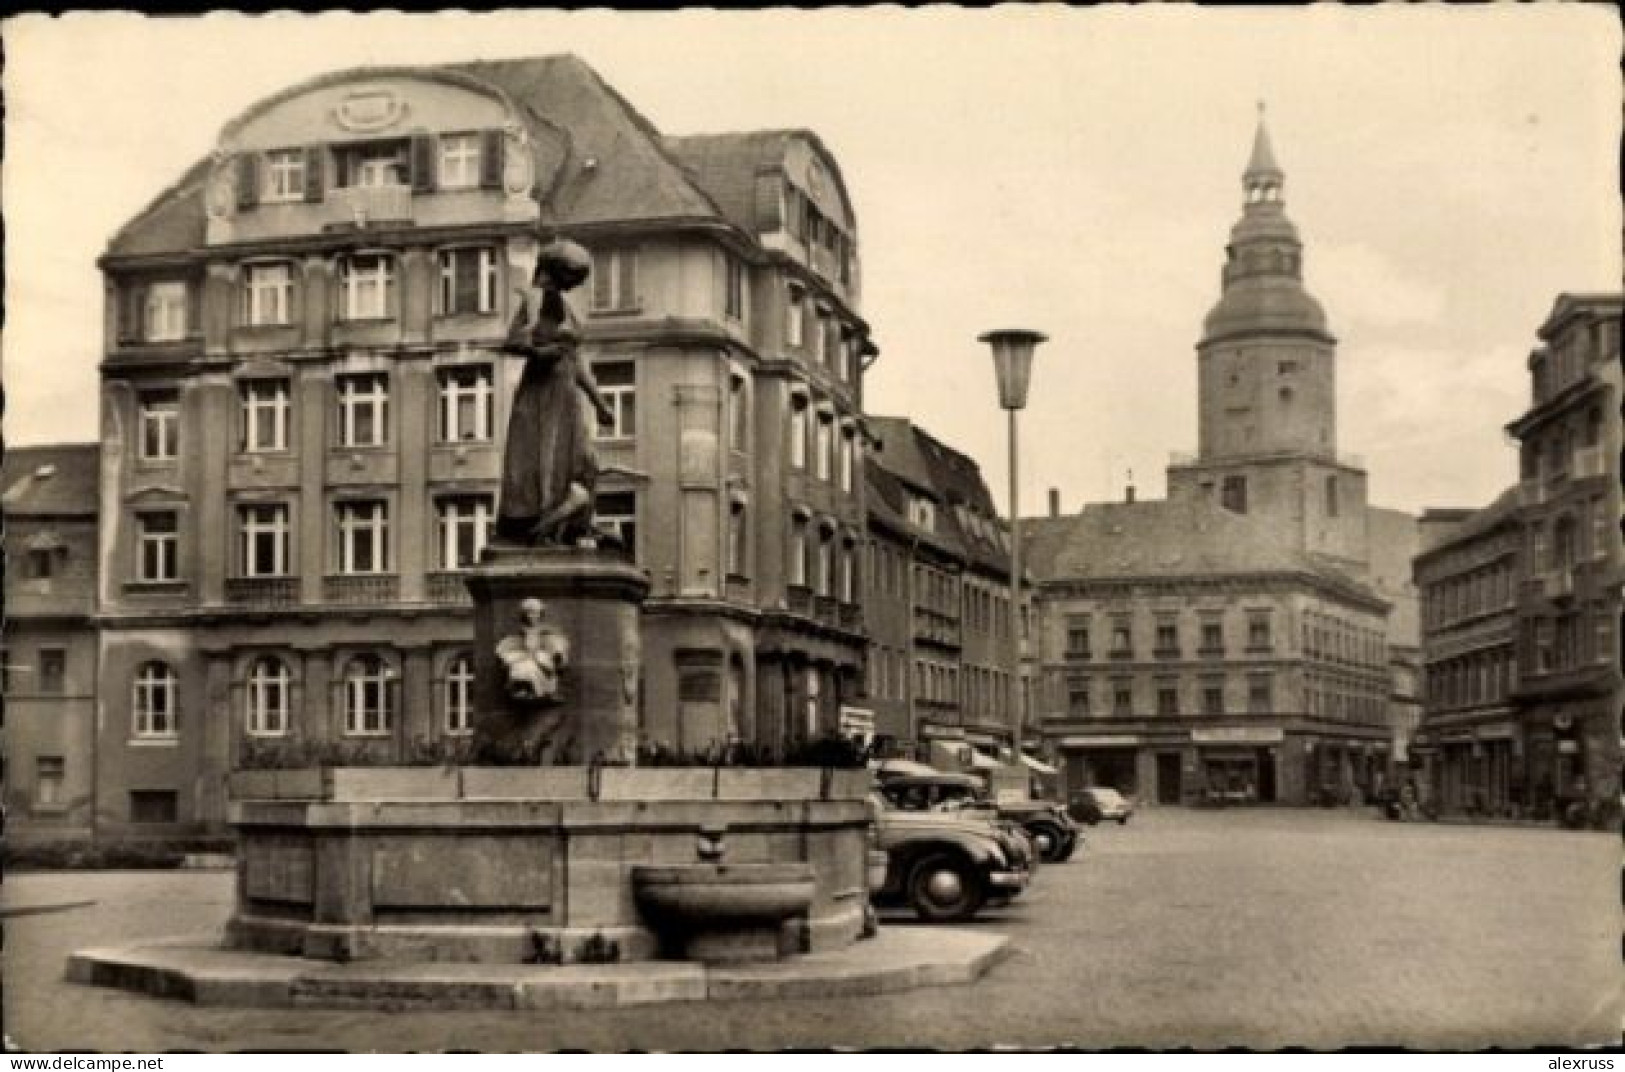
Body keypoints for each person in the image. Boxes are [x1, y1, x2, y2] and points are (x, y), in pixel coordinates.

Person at [496, 238, 617, 546]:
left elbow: (574, 361)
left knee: (583, 462)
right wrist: (540, 352)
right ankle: (544, 526)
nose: (573, 285)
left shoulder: (563, 306)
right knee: (542, 461)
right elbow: (511, 342)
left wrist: (599, 401)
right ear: (554, 271)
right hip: (541, 393)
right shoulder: (534, 299)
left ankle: (571, 524)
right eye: (571, 277)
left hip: (565, 396)